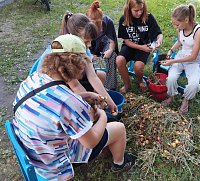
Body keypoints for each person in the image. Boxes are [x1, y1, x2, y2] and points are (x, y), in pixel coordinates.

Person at [13, 34, 137, 180]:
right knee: (119, 128)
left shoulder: (35, 77)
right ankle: (119, 164)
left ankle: (107, 151)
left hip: (33, 148)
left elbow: (53, 103)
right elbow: (90, 142)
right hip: (53, 164)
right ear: (76, 64)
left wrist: (84, 95)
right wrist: (102, 116)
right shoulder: (68, 101)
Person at [36, 12, 118, 114]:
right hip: (50, 94)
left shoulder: (80, 47)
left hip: (64, 84)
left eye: (90, 41)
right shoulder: (64, 55)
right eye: (86, 41)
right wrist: (91, 106)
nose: (89, 45)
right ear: (74, 37)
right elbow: (75, 86)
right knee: (86, 109)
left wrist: (108, 100)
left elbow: (93, 76)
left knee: (101, 75)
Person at [161, 4, 200, 115]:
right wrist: (171, 51)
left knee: (194, 85)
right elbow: (180, 41)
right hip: (181, 56)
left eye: (177, 24)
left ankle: (186, 100)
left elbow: (193, 56)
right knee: (170, 78)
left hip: (193, 61)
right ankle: (171, 96)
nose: (176, 27)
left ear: (186, 20)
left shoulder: (198, 31)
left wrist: (172, 61)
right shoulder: (181, 28)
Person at [116, 0, 163, 93]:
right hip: (130, 46)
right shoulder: (124, 19)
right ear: (129, 9)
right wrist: (142, 47)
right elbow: (127, 41)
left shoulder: (148, 17)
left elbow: (159, 33)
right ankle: (127, 84)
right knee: (119, 60)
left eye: (141, 9)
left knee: (138, 66)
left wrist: (159, 41)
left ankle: (140, 80)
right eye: (136, 10)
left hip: (145, 45)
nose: (139, 12)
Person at [86, 1, 118, 90]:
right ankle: (92, 84)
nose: (98, 27)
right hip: (88, 47)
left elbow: (112, 40)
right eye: (94, 25)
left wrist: (110, 50)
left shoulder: (108, 22)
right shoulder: (84, 24)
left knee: (112, 56)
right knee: (86, 60)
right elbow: (82, 44)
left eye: (99, 23)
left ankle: (110, 86)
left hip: (103, 43)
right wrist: (89, 55)